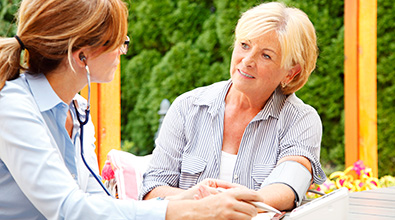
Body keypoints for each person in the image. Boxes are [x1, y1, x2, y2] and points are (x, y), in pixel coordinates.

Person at [0, 0, 263, 219]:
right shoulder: (13, 107)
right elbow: (69, 209)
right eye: (119, 42)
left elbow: (94, 201)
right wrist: (192, 211)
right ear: (82, 56)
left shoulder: (77, 110)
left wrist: (189, 197)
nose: (123, 51)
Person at [141, 1, 327, 211]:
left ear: (290, 73)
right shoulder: (187, 107)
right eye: (244, 45)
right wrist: (202, 203)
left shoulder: (301, 120)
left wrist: (234, 204)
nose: (247, 60)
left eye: (266, 55)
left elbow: (288, 186)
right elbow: (152, 191)